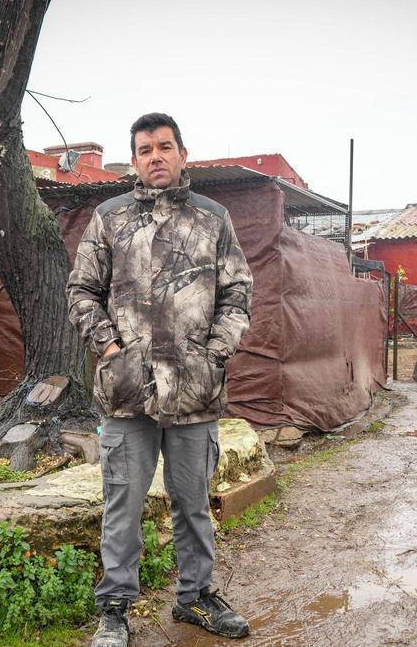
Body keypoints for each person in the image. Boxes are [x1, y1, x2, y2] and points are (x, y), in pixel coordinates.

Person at [67, 113, 253, 646]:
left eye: (164, 147)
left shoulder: (214, 219)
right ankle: (115, 610)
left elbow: (237, 294)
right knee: (122, 502)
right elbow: (81, 290)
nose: (155, 156)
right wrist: (108, 346)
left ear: (182, 154)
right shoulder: (110, 219)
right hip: (126, 394)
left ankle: (194, 597)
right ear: (134, 159)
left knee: (192, 501)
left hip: (195, 392)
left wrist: (214, 355)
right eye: (145, 149)